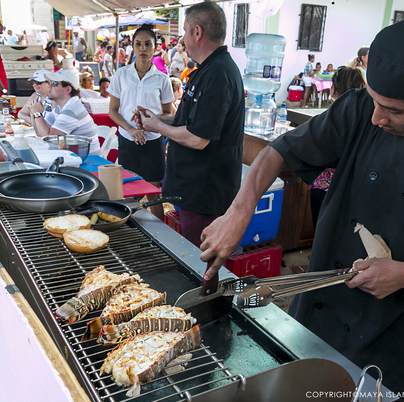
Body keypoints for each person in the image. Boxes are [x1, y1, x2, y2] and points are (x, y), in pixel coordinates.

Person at [198, 15, 404, 395]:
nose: (376, 117)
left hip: (394, 339)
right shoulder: (359, 109)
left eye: (395, 111)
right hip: (313, 312)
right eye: (373, 100)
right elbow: (280, 150)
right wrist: (240, 210)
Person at [134, 1, 245, 248]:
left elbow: (198, 138)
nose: (182, 39)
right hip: (192, 189)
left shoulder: (218, 73)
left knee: (199, 260)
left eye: (184, 31)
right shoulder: (208, 69)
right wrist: (156, 118)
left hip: (204, 193)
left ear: (197, 32)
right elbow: (192, 121)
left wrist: (157, 128)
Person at [107, 24, 174, 220]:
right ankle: (129, 227)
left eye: (147, 44)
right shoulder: (121, 74)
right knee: (129, 189)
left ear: (156, 47)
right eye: (138, 44)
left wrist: (152, 123)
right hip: (128, 139)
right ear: (132, 47)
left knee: (153, 189)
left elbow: (169, 112)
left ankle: (161, 233)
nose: (143, 49)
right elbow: (113, 111)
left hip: (153, 140)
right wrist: (130, 128)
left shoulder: (162, 79)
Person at [308, 66, 365, 229]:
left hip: (325, 185)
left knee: (321, 232)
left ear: (335, 89)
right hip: (355, 186)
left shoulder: (332, 118)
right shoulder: (368, 118)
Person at [27, 68, 101, 154]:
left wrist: (37, 114)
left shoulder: (71, 110)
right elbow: (40, 133)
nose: (49, 86)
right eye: (49, 83)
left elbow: (48, 139)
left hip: (87, 161)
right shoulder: (62, 107)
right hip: (76, 158)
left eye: (54, 83)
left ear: (68, 90)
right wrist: (34, 112)